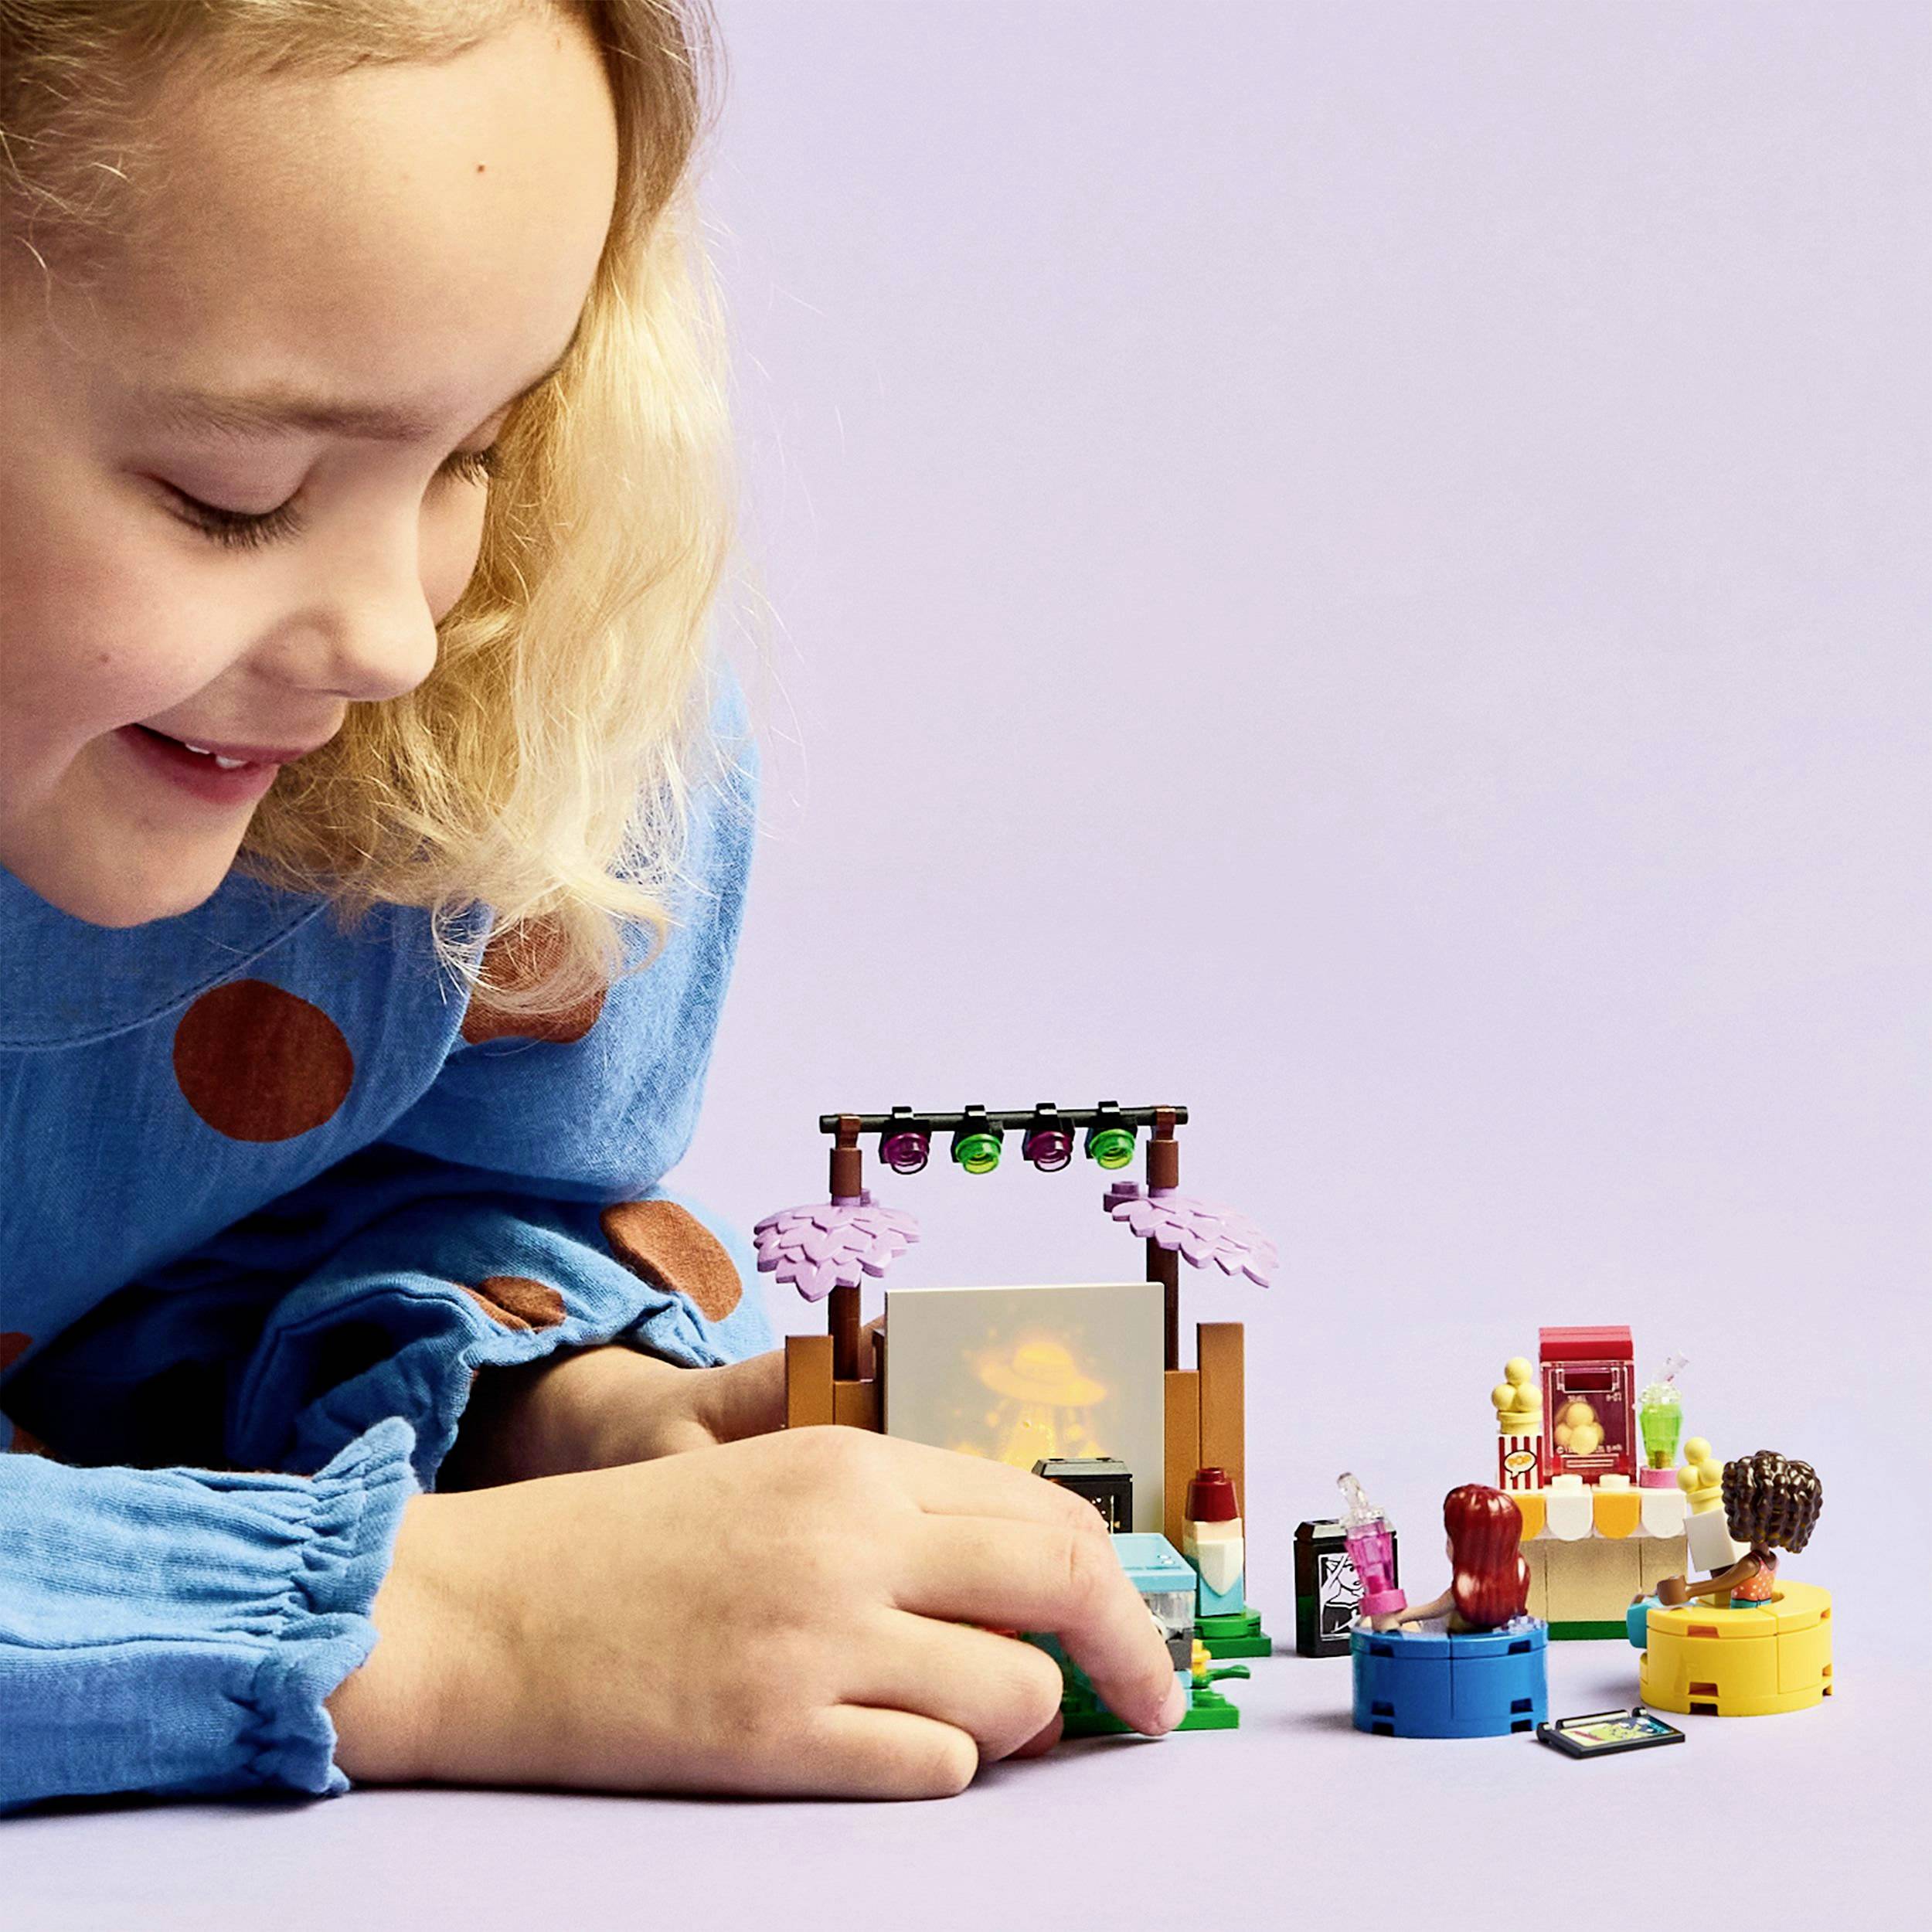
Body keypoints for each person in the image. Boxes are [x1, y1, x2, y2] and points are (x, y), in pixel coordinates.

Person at [0, 0, 1182, 1814]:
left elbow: (279, 1248)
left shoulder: (460, 705)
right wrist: (456, 1626)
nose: (398, 633)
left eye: (474, 450)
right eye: (230, 497)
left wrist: (553, 1419)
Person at [1654, 1450, 1823, 1609]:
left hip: (1744, 1611)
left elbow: (1724, 1583)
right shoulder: (1772, 1559)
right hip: (1762, 1607)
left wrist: (1688, 1590)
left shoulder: (1751, 1564)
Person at [1369, 1483, 1531, 1634]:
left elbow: (1434, 1609)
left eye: (1451, 1540)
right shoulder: (1518, 1570)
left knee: (1388, 1627)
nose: (1447, 1545)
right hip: (1497, 1635)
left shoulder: (1468, 1586)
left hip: (1457, 1643)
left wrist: (1399, 1617)